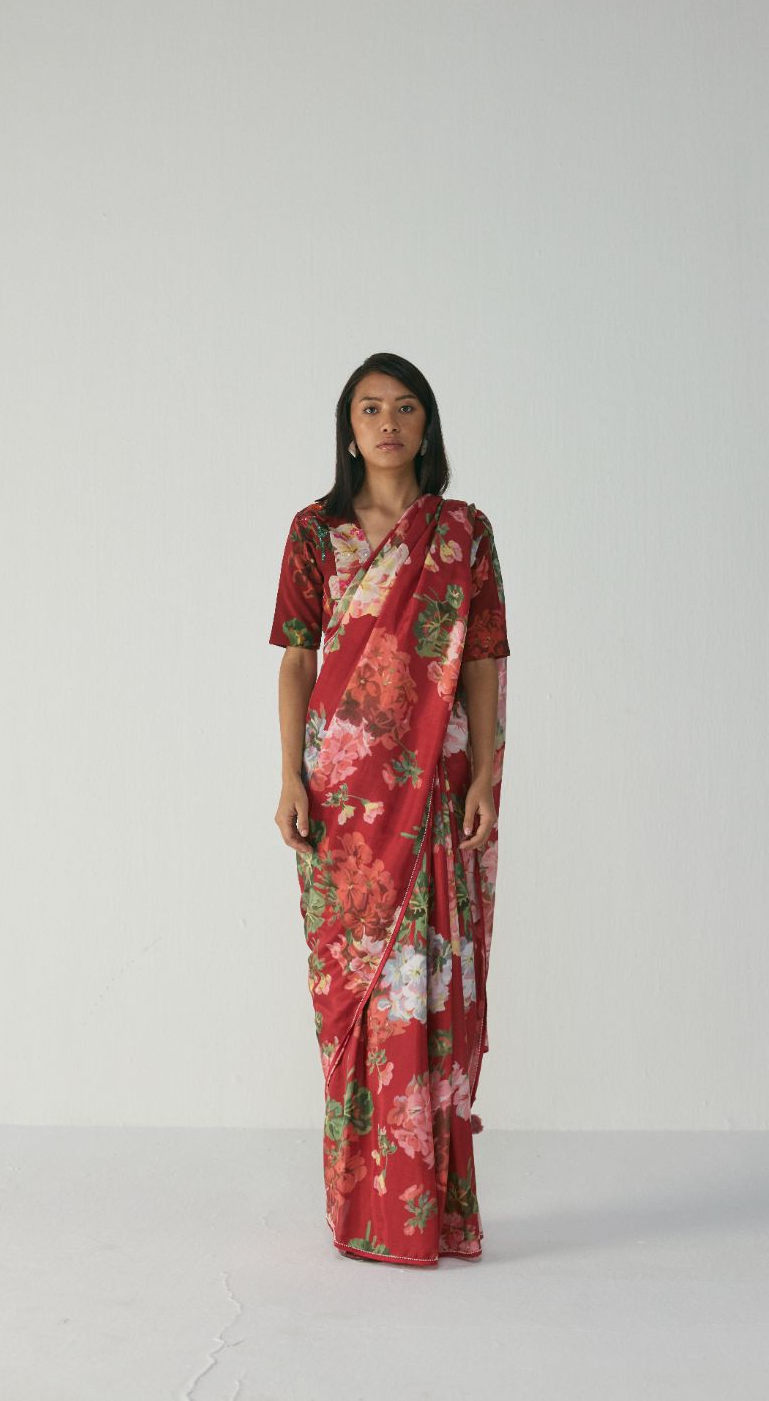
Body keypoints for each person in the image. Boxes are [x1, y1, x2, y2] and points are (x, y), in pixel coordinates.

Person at [269, 352, 510, 1266]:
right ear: (348, 429)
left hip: (434, 789)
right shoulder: (314, 533)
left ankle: (428, 1212)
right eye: (370, 409)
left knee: (428, 985)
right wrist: (290, 777)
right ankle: (360, 1211)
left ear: (427, 425)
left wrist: (484, 775)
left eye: (405, 408)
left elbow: (481, 657)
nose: (387, 424)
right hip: (341, 796)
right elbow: (297, 659)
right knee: (354, 995)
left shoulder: (463, 534)